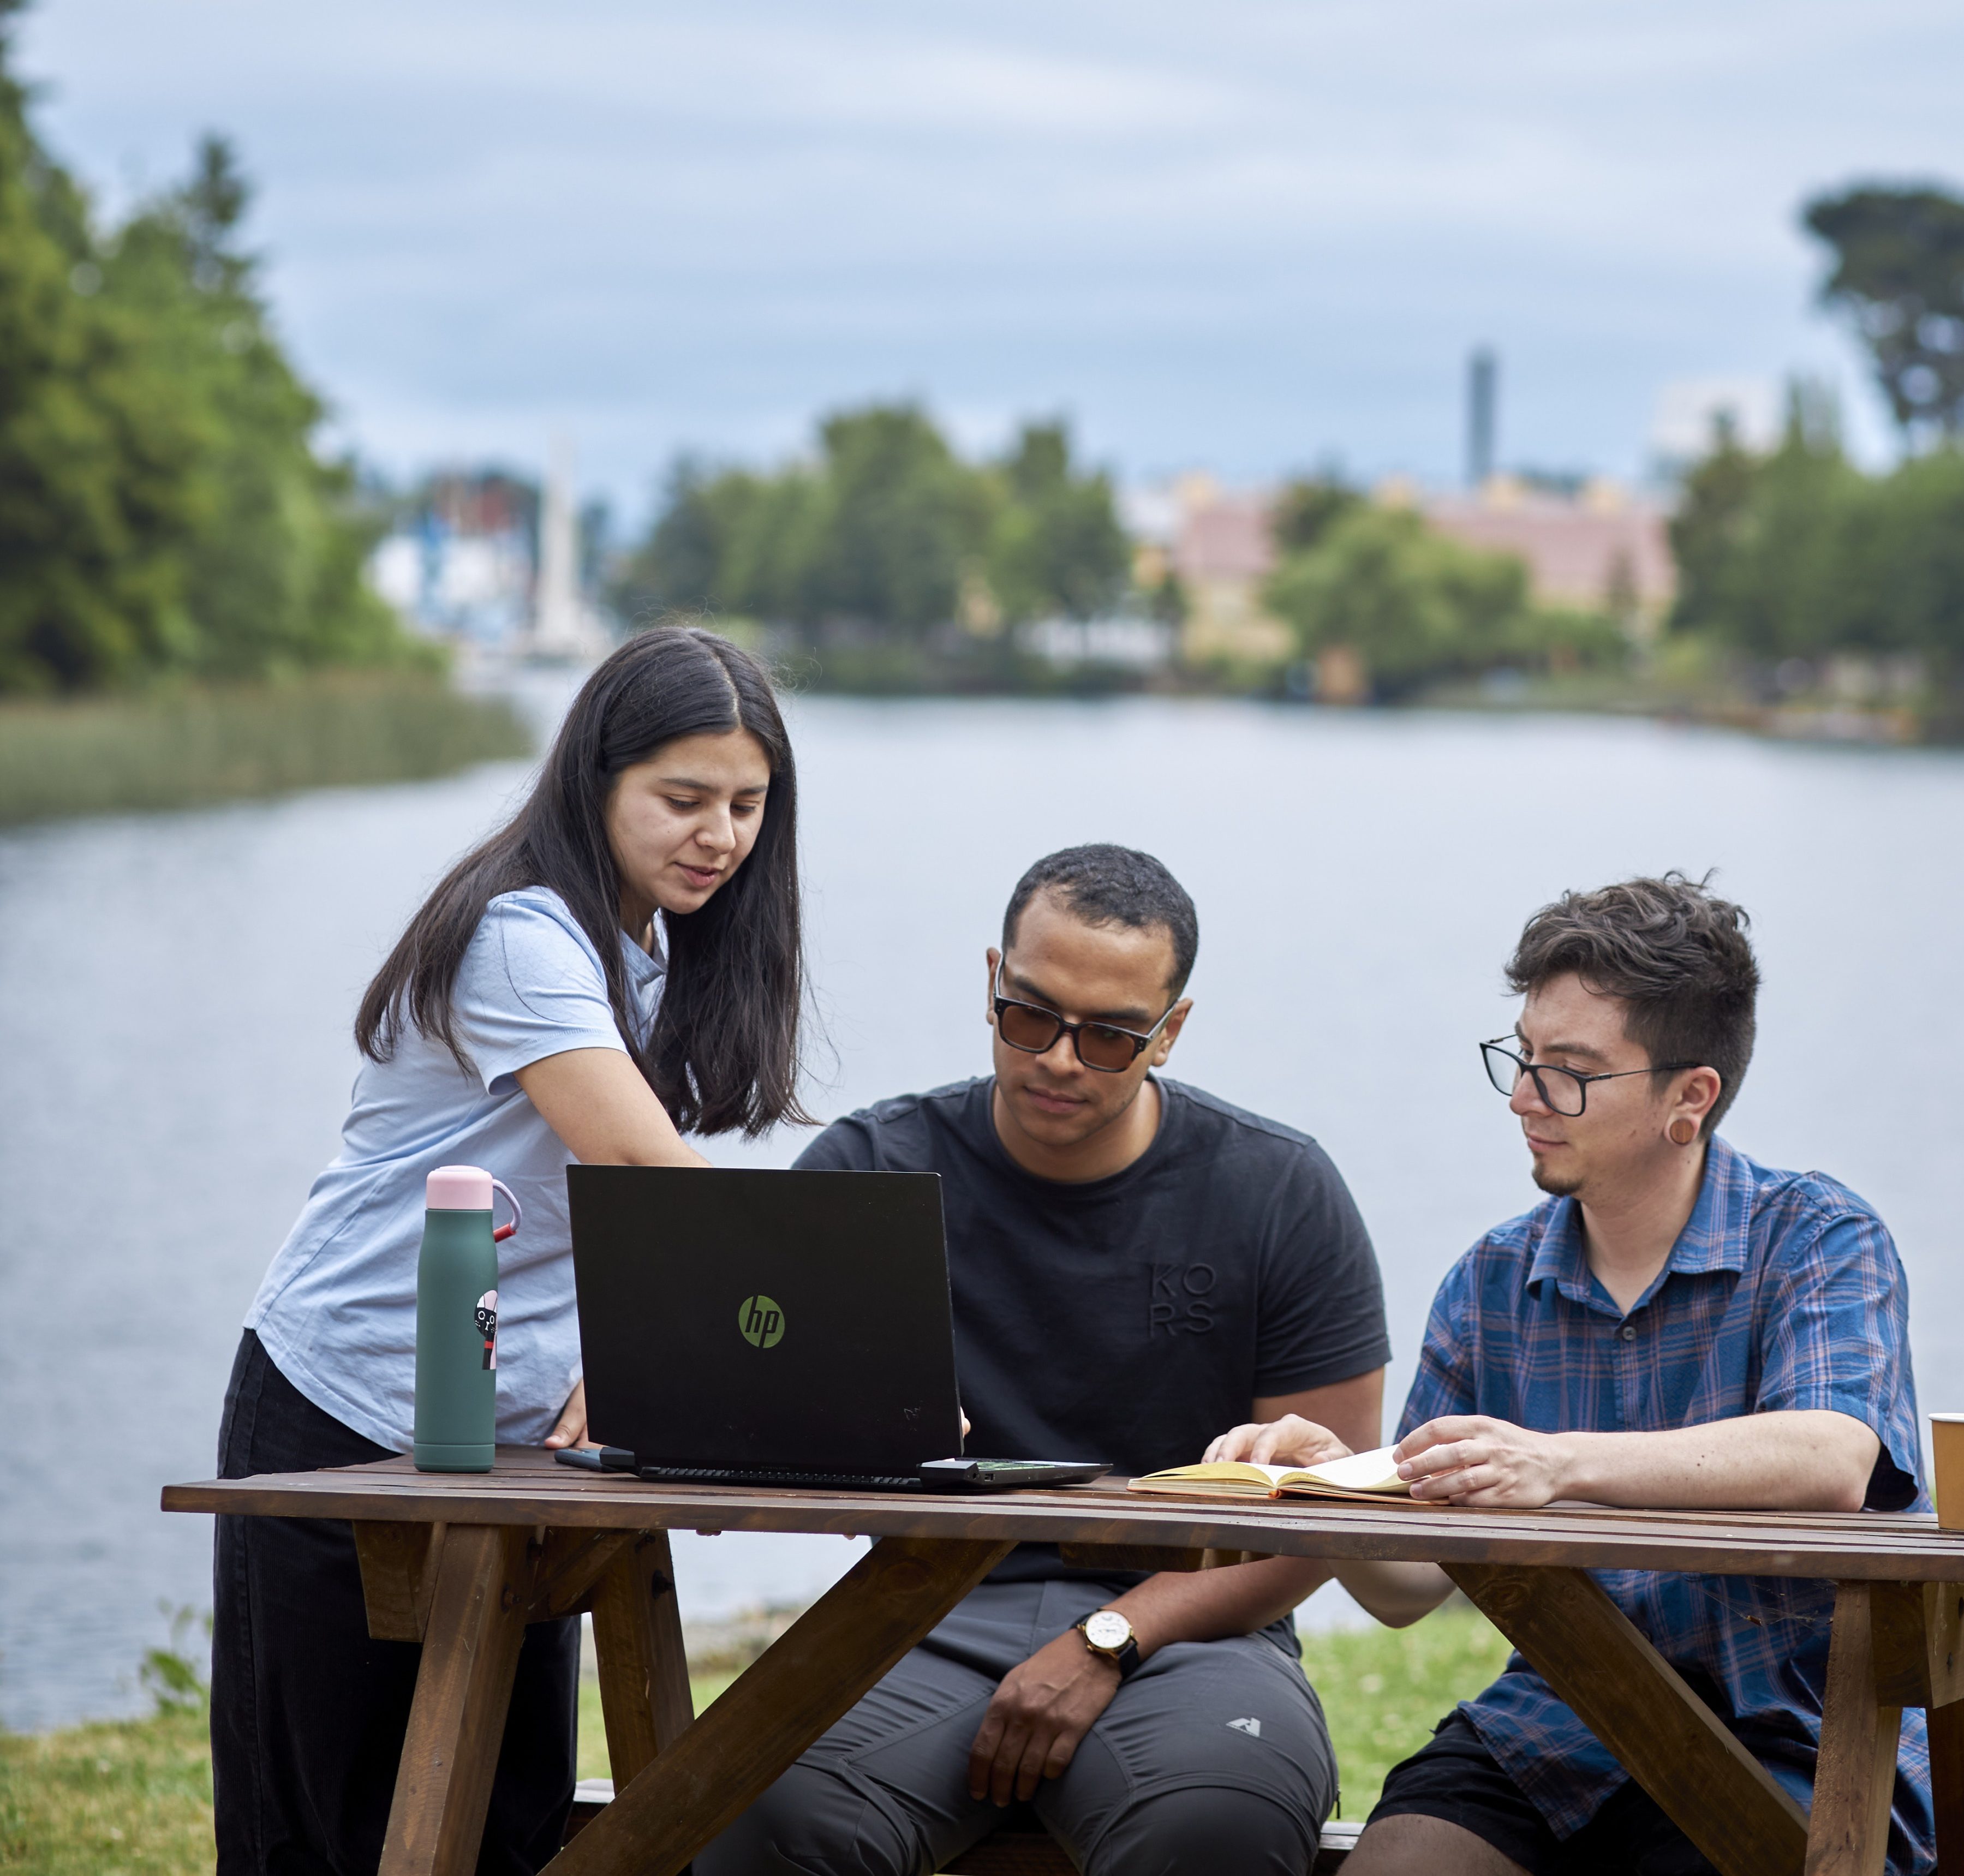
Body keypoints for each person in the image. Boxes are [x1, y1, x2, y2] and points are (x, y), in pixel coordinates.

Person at [212, 628, 810, 1875]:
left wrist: (627, 1362)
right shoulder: (521, 937)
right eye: (682, 800)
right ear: (595, 781)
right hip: (351, 1401)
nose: (719, 836)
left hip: (510, 1425)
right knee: (326, 1826)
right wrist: (824, 1319)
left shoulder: (647, 944)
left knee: (503, 1809)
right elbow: (641, 1171)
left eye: (747, 805)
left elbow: (599, 1211)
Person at [1209, 873, 1934, 1876]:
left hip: (1789, 1728)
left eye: (1571, 1071)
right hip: (1555, 1726)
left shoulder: (1817, 1237)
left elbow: (1833, 1456)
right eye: (1523, 1056)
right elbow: (1408, 1586)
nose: (1523, 1096)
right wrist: (1333, 1482)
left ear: (1691, 1098)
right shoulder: (1493, 1279)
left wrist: (1552, 1463)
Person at [699, 844, 1392, 1876]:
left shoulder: (1279, 1189)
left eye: (1110, 1035)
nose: (1060, 1058)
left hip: (1199, 1631)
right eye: (1031, 1014)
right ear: (991, 979)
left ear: (1172, 1031)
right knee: (758, 1813)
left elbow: (1319, 1518)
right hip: (919, 1614)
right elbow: (745, 1405)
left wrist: (1111, 1635)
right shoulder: (870, 1171)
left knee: (1214, 1830)